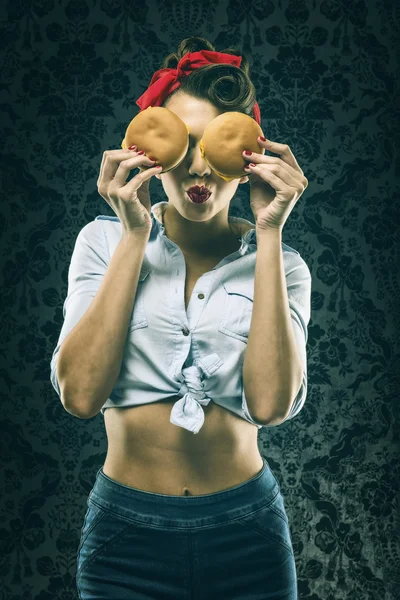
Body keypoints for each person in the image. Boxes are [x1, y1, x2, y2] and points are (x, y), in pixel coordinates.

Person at [50, 36, 311, 599]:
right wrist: (135, 233)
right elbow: (78, 394)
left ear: (249, 159)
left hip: (249, 534)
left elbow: (269, 407)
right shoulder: (103, 241)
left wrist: (270, 232)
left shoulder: (283, 264)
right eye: (182, 142)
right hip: (125, 535)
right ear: (151, 149)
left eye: (215, 144)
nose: (197, 163)